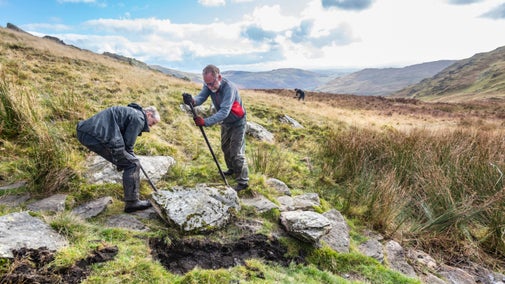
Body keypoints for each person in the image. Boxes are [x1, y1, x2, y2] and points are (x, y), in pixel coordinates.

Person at [76, 103, 161, 213]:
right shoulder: (139, 117)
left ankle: (132, 200)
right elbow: (128, 144)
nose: (151, 127)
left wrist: (123, 159)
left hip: (86, 132)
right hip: (97, 135)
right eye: (153, 123)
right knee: (133, 164)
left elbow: (123, 144)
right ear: (149, 114)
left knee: (129, 162)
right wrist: (128, 159)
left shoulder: (130, 112)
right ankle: (132, 202)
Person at [182, 64, 249, 191]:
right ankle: (232, 169)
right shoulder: (209, 85)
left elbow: (224, 111)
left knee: (236, 152)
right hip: (226, 122)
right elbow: (201, 97)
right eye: (207, 84)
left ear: (219, 77)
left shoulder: (229, 88)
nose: (210, 87)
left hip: (238, 122)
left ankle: (243, 181)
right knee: (225, 147)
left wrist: (205, 122)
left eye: (212, 83)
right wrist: (192, 100)